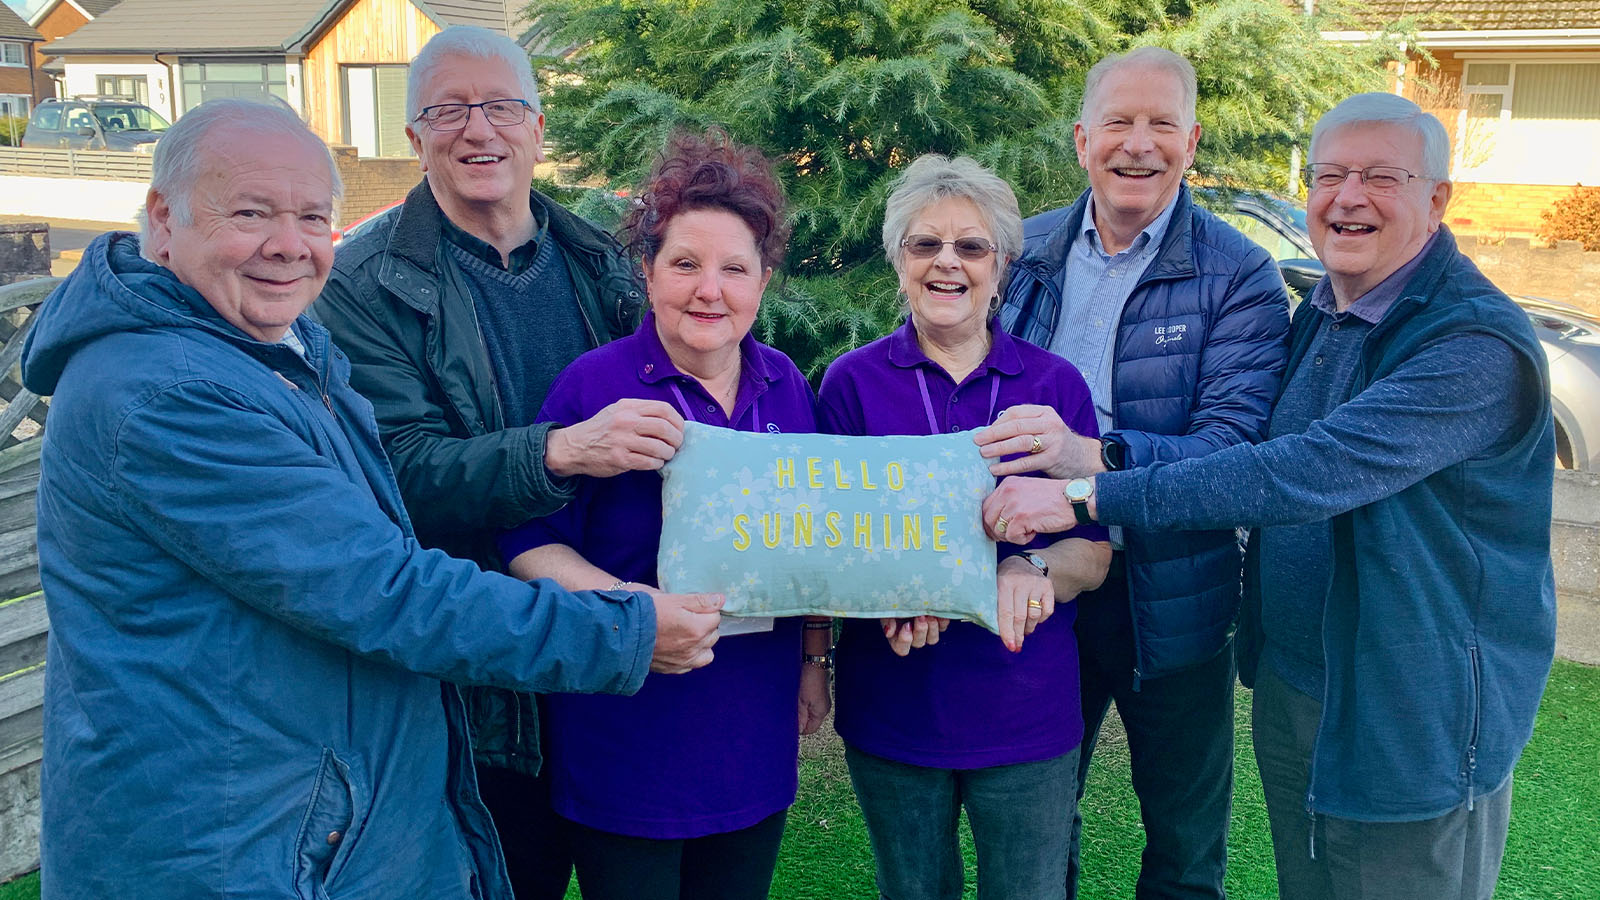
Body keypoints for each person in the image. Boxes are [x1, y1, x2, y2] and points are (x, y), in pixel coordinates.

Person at [21, 99, 724, 900]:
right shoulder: (168, 396)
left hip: (316, 815)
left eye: (313, 216)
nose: (288, 245)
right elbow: (383, 592)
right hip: (234, 846)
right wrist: (624, 632)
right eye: (250, 213)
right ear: (164, 218)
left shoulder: (275, 349)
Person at [984, 92, 1555, 900]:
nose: (1348, 196)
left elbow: (1294, 472)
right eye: (1330, 175)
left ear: (1436, 200)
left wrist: (1086, 491)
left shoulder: (1469, 344)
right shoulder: (1325, 310)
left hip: (1407, 705)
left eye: (1381, 176)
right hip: (1299, 681)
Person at [312, 26, 672, 898]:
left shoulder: (608, 263)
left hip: (622, 643)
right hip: (486, 681)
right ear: (414, 138)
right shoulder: (361, 288)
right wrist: (559, 452)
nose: (479, 130)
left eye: (501, 106)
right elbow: (399, 476)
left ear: (538, 126)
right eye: (449, 110)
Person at [982, 46, 1290, 900]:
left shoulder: (1241, 274)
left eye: (1162, 124)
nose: (1138, 144)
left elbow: (1231, 453)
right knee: (1040, 822)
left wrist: (1093, 460)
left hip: (1174, 595)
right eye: (1118, 121)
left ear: (1191, 142)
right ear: (1082, 139)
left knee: (1186, 845)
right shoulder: (1023, 249)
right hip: (1041, 578)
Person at [498, 131, 827, 900]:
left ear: (763, 282)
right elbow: (527, 542)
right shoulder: (594, 386)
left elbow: (815, 541)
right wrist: (629, 611)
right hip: (626, 729)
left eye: (733, 269)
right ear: (647, 274)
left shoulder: (787, 387)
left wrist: (815, 658)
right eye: (684, 264)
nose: (708, 290)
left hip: (751, 722)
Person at [816, 153, 1111, 900]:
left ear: (1003, 263)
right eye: (926, 244)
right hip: (895, 711)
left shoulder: (1053, 386)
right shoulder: (850, 384)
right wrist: (890, 586)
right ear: (899, 260)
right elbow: (824, 543)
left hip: (1026, 711)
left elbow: (1092, 552)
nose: (948, 262)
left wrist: (1032, 568)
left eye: (972, 246)